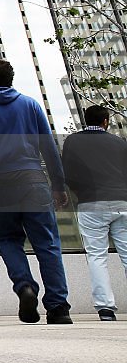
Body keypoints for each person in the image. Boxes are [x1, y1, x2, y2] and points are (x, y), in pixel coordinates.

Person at [0, 59, 72, 325]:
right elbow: (48, 147)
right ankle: (58, 308)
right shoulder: (31, 105)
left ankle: (25, 287)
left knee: (8, 239)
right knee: (47, 244)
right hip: (33, 180)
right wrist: (58, 185)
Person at [62, 104, 127, 321]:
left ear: (85, 120)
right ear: (105, 121)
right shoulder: (119, 143)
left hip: (91, 203)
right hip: (122, 202)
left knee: (97, 256)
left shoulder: (72, 142)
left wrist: (80, 191)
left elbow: (68, 173)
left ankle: (105, 308)